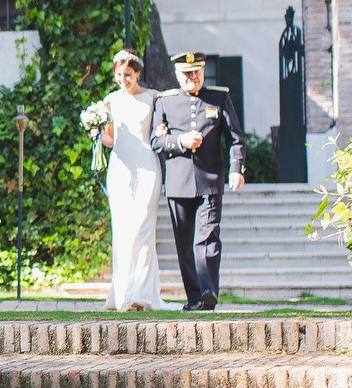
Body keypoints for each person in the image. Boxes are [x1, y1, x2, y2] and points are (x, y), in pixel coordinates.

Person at [148, 50, 245, 311]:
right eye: (187, 73)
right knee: (184, 243)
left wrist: (237, 169)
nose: (193, 77)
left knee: (208, 237)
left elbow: (236, 138)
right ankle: (194, 297)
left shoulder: (219, 97)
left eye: (197, 72)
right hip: (179, 183)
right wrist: (180, 141)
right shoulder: (165, 102)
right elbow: (156, 141)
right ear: (178, 75)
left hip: (210, 180)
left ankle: (208, 290)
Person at [94, 48, 163, 312]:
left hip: (147, 166)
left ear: (137, 73)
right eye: (120, 75)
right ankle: (122, 293)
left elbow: (159, 130)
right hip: (121, 169)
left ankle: (143, 295)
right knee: (122, 230)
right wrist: (97, 134)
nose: (124, 79)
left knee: (144, 229)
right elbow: (111, 140)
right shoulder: (111, 101)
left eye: (129, 75)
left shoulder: (152, 98)